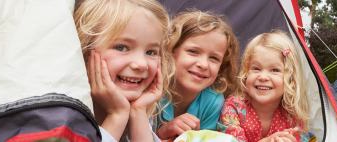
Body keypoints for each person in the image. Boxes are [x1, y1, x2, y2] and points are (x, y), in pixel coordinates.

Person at [74, 0, 170, 141]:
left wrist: (138, 114)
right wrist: (117, 116)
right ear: (85, 51)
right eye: (121, 47)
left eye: (150, 52)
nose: (142, 64)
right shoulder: (63, 119)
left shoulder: (141, 112)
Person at [154, 11, 240, 140]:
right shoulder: (153, 90)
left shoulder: (213, 101)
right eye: (193, 52)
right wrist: (162, 133)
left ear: (222, 66)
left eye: (214, 58)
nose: (203, 64)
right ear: (171, 51)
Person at [220, 31, 310, 142]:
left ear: (290, 78)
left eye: (274, 70)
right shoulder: (233, 107)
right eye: (256, 68)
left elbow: (304, 138)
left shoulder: (293, 114)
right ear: (246, 73)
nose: (263, 77)